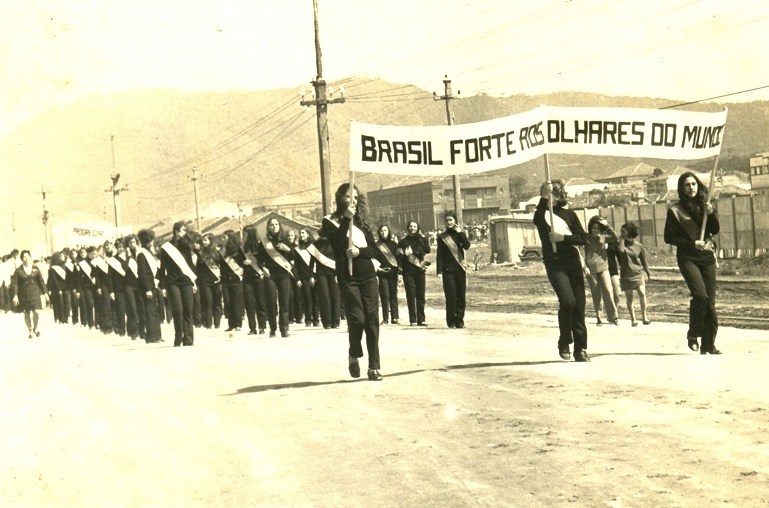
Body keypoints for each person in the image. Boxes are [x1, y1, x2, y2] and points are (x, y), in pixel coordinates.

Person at [321, 183, 384, 381]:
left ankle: (374, 366)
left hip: (368, 275)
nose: (352, 201)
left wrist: (359, 252)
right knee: (358, 320)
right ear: (340, 198)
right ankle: (353, 354)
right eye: (348, 197)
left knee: (372, 321)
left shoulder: (363, 222)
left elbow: (373, 249)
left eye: (355, 198)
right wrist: (345, 219)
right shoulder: (330, 221)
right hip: (348, 278)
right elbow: (337, 245)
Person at [664, 171, 721, 354]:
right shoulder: (675, 210)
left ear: (698, 185)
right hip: (688, 257)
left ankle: (708, 344)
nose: (691, 188)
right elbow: (669, 237)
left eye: (694, 184)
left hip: (706, 257)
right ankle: (693, 333)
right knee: (700, 295)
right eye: (687, 185)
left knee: (710, 302)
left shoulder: (706, 206)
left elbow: (714, 229)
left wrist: (711, 214)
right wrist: (691, 243)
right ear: (682, 188)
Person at [533, 179, 590, 362]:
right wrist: (543, 197)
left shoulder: (570, 215)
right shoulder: (543, 215)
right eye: (549, 193)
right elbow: (537, 218)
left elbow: (582, 238)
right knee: (567, 302)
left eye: (555, 193)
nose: (552, 196)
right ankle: (564, 340)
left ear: (561, 195)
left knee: (579, 306)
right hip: (555, 263)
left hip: (572, 262)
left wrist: (563, 238)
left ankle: (580, 349)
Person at [158, 221, 197, 347]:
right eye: (181, 230)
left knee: (188, 310)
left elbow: (191, 265)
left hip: (186, 281)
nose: (183, 233)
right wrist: (163, 286)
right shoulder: (166, 248)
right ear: (175, 231)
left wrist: (194, 282)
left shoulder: (187, 246)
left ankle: (189, 339)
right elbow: (162, 268)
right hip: (172, 282)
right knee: (178, 310)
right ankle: (178, 337)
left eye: (185, 230)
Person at [258, 217, 294, 338]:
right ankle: (272, 329)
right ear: (268, 227)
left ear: (279, 226)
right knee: (271, 302)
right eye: (271, 225)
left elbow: (294, 255)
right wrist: (263, 268)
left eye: (276, 224)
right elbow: (259, 259)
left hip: (283, 273)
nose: (274, 226)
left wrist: (287, 249)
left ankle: (284, 329)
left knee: (284, 302)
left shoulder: (285, 239)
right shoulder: (263, 241)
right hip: (270, 274)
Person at [436, 211, 471, 329]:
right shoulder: (442, 237)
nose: (449, 222)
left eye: (451, 220)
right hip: (448, 270)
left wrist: (461, 233)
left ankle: (460, 320)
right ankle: (451, 321)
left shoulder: (460, 234)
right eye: (446, 220)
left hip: (460, 269)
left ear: (455, 221)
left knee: (461, 295)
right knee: (450, 296)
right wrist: (439, 271)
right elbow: (439, 255)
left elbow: (467, 246)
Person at [583, 216, 619, 326]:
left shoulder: (603, 238)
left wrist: (607, 225)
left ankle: (613, 317)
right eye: (593, 228)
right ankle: (599, 316)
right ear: (590, 228)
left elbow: (616, 237)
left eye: (598, 228)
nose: (595, 230)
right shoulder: (586, 238)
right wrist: (584, 267)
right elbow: (580, 253)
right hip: (591, 270)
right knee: (596, 294)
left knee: (608, 291)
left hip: (604, 268)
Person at [617, 222, 651, 327]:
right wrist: (621, 240)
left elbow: (644, 260)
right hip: (626, 275)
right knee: (630, 298)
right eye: (621, 232)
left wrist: (648, 273)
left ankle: (644, 317)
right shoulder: (621, 244)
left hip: (638, 273)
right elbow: (621, 252)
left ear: (630, 233)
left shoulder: (639, 246)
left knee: (642, 294)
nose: (621, 233)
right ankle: (633, 319)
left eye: (623, 231)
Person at [398, 220, 431, 326]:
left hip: (419, 270)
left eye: (414, 226)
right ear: (408, 228)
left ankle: (421, 319)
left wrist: (414, 252)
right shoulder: (402, 241)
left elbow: (427, 250)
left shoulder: (422, 239)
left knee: (421, 294)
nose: (412, 228)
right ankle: (412, 319)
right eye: (410, 226)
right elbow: (398, 256)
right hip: (408, 272)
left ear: (418, 227)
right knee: (411, 295)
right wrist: (405, 255)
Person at [10, 250, 48, 338]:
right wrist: (15, 295)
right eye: (24, 257)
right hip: (23, 294)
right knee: (26, 312)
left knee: (36, 312)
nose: (26, 258)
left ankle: (35, 328)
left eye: (27, 256)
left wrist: (45, 293)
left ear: (30, 257)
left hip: (35, 293)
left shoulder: (35, 268)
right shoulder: (18, 271)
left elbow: (41, 282)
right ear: (22, 259)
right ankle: (30, 330)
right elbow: (15, 284)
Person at [308, 233, 341, 329]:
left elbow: (339, 258)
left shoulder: (335, 242)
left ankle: (336, 321)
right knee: (324, 297)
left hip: (334, 272)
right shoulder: (316, 244)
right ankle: (327, 322)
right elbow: (311, 262)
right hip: (321, 273)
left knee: (335, 296)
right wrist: (311, 275)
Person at [136, 229, 162, 343]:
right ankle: (152, 336)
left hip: (153, 284)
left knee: (155, 310)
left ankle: (157, 335)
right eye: (150, 240)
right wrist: (147, 289)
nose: (152, 243)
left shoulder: (148, 252)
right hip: (147, 286)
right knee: (150, 311)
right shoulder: (141, 253)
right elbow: (142, 273)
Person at [197, 233, 224, 330]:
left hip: (216, 280)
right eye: (203, 240)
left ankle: (217, 323)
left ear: (210, 241)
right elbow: (198, 268)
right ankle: (208, 324)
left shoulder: (217, 253)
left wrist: (221, 276)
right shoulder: (200, 253)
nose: (203, 242)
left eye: (205, 240)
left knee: (217, 301)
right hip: (205, 281)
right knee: (207, 301)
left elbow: (223, 265)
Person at [293, 228, 319, 327]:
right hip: (303, 276)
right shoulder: (297, 249)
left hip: (314, 275)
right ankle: (308, 319)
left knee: (315, 298)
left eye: (303, 233)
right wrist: (297, 278)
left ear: (308, 234)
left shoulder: (314, 246)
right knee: (307, 298)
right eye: (300, 233)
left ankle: (316, 319)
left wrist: (313, 275)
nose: (301, 234)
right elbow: (296, 265)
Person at [375, 224, 400, 325]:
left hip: (393, 273)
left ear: (389, 232)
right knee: (384, 295)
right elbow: (374, 259)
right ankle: (385, 318)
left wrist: (399, 273)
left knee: (393, 295)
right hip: (382, 273)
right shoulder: (377, 245)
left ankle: (395, 317)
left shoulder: (394, 244)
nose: (383, 232)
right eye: (381, 230)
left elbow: (398, 259)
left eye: (385, 230)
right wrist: (378, 269)